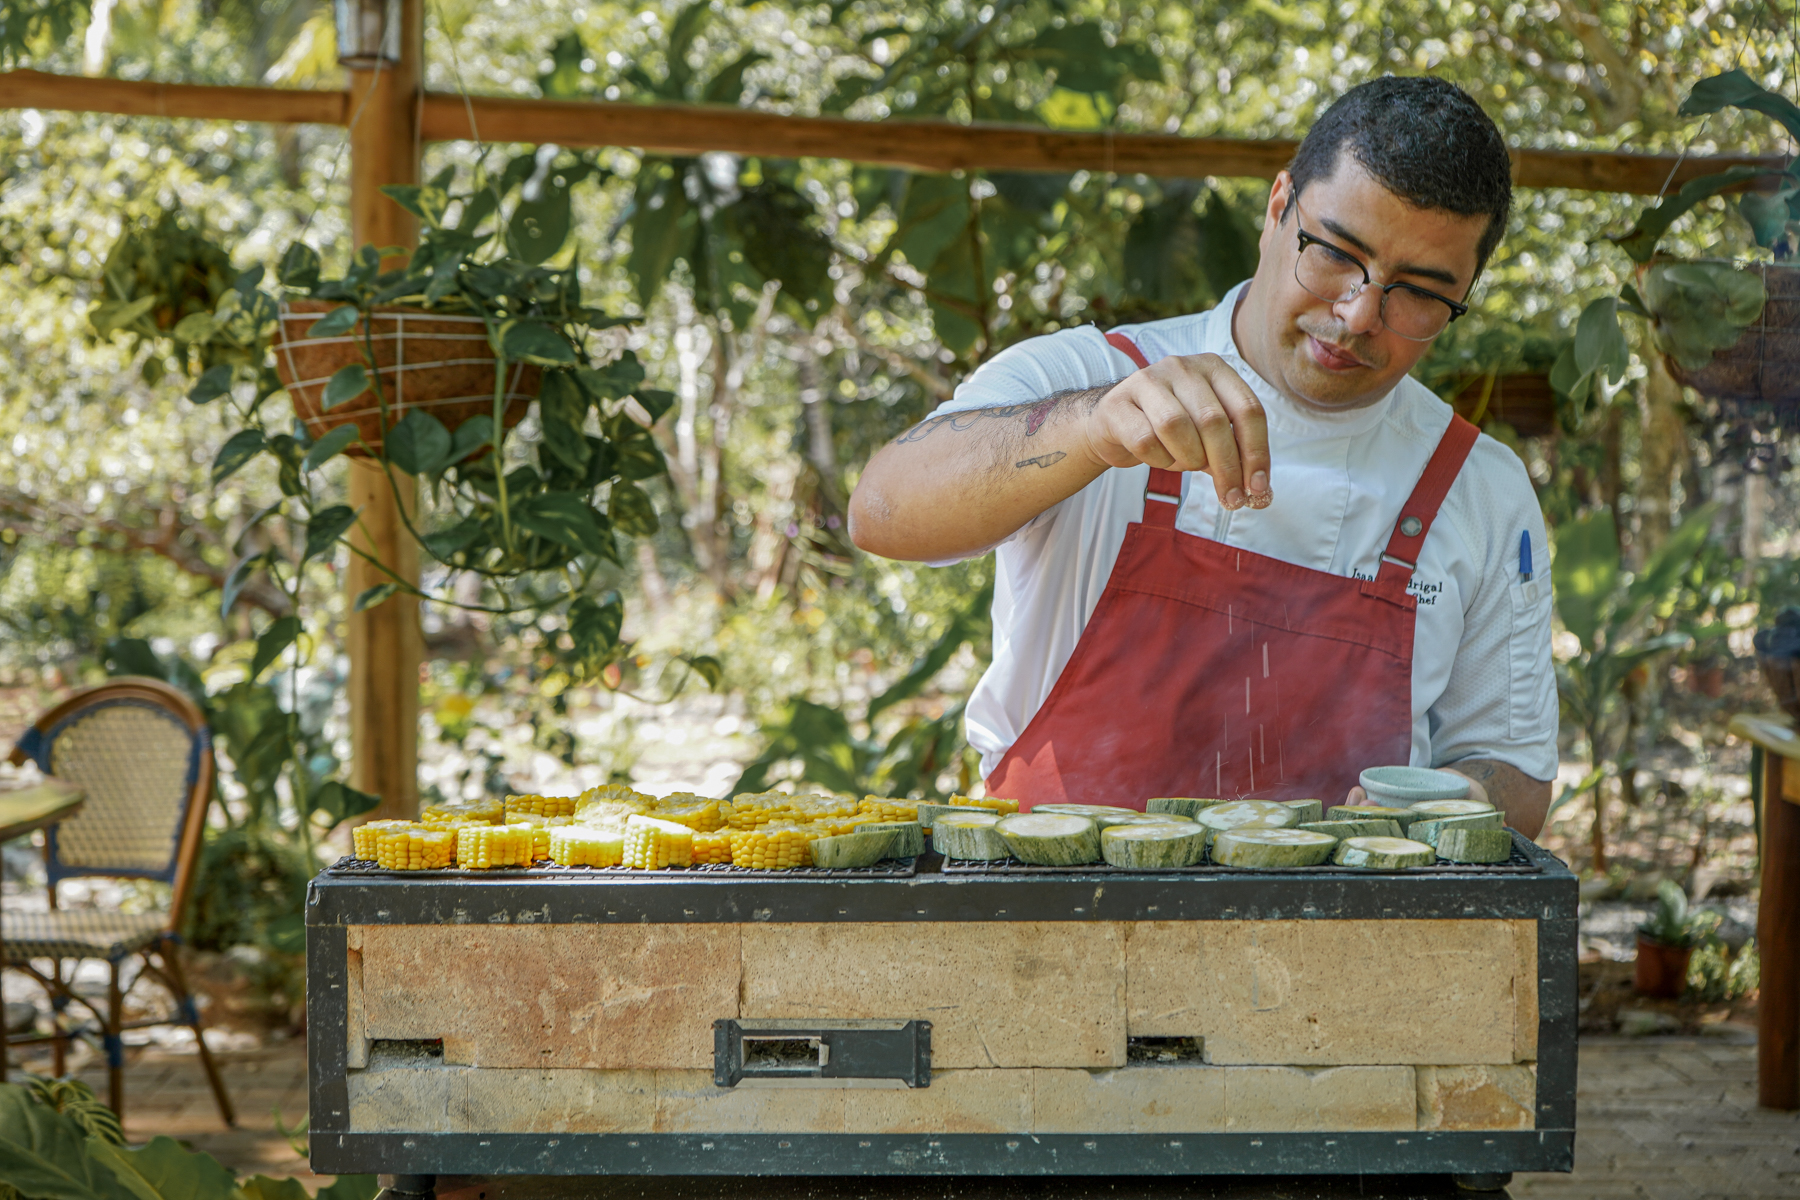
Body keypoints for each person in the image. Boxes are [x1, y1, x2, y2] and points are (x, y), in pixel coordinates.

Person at [847, 76, 1556, 836]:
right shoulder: (1091, 376)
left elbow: (1513, 774)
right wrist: (1091, 430)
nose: (1357, 315)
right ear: (1278, 206)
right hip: (1046, 922)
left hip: (1333, 942)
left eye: (1417, 293)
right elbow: (882, 511)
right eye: (1336, 254)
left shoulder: (1478, 488)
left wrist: (1460, 798)